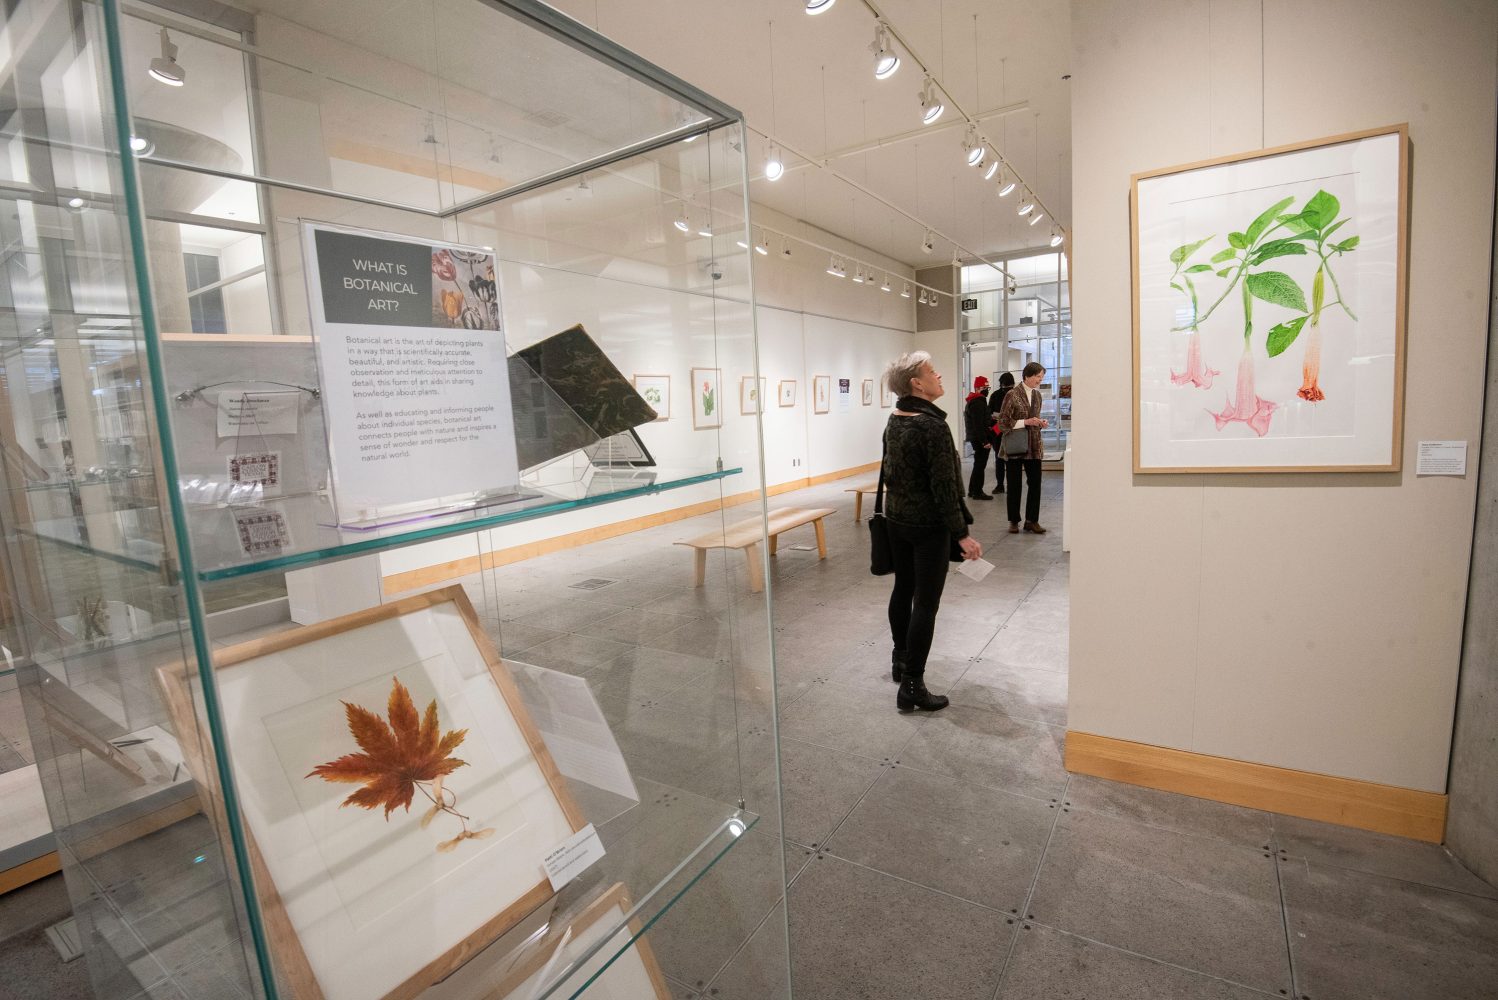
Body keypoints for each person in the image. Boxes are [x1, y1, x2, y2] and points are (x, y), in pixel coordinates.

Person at [880, 351, 982, 712]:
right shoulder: (933, 426)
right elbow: (944, 488)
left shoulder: (895, 418)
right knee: (925, 601)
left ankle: (900, 659)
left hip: (897, 520)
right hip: (927, 527)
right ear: (916, 384)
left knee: (903, 588)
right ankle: (912, 685)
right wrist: (962, 534)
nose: (939, 375)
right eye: (931, 372)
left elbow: (891, 472)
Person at [996, 361, 1050, 535]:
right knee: (1014, 485)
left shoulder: (1037, 395)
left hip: (1034, 446)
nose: (1040, 380)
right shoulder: (1012, 394)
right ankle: (1014, 521)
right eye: (1038, 376)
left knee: (1035, 484)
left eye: (1041, 377)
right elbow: (1002, 423)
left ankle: (1031, 520)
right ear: (1027, 376)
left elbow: (1034, 418)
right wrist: (1026, 422)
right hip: (1015, 446)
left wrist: (1040, 423)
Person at [962, 375, 994, 500]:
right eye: (985, 387)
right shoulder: (977, 402)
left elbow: (982, 421)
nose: (986, 389)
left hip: (976, 437)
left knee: (978, 464)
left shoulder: (974, 401)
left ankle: (972, 490)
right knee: (980, 465)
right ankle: (977, 491)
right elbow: (978, 425)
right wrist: (984, 441)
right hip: (979, 438)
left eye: (987, 387)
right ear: (978, 388)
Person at [987, 371, 1015, 495]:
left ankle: (1000, 485)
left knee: (999, 459)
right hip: (1012, 430)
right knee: (1011, 459)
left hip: (997, 430)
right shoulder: (1016, 395)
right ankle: (1012, 485)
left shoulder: (995, 395)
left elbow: (989, 413)